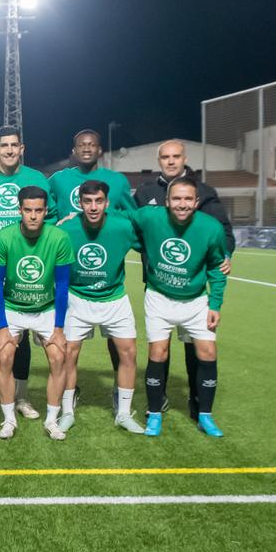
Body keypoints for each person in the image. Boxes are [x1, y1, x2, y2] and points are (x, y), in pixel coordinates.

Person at [133, 139, 234, 419]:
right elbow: (134, 226)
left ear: (184, 158)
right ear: (159, 160)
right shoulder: (145, 192)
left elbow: (221, 231)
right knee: (159, 347)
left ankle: (197, 398)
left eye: (176, 156)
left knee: (194, 346)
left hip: (193, 285)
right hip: (158, 282)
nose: (171, 161)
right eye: (165, 157)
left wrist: (226, 256)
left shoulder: (203, 192)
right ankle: (160, 398)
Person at [0, 125, 56, 420]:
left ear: (22, 148)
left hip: (25, 268)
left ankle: (21, 396)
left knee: (22, 335)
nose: (9, 150)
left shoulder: (36, 179)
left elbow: (50, 216)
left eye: (14, 145)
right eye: (3, 145)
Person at [58, 180, 144, 434]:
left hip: (114, 298)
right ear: (80, 203)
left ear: (107, 203)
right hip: (78, 298)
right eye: (88, 201)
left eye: (98, 201)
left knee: (128, 353)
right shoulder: (67, 229)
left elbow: (150, 242)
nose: (93, 207)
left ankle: (124, 413)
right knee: (68, 355)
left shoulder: (122, 226)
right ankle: (67, 412)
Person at [0, 186, 73, 441]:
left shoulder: (59, 238)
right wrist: (2, 327)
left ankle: (51, 420)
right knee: (4, 356)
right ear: (19, 210)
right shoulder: (3, 237)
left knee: (59, 357)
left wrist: (59, 329)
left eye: (39, 210)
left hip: (46, 309)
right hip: (13, 307)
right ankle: (8, 419)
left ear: (46, 211)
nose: (34, 216)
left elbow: (62, 286)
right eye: (28, 210)